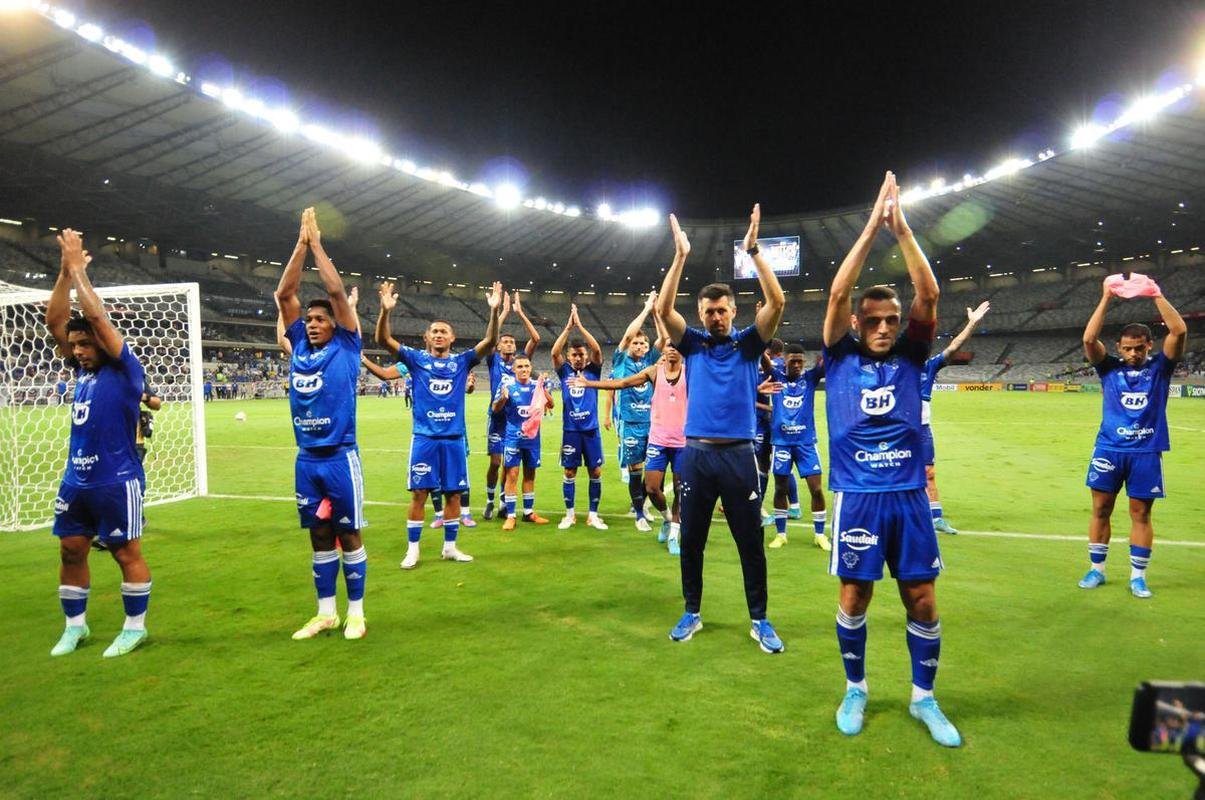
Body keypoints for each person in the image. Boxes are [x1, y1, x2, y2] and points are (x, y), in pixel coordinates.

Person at [822, 172, 959, 747]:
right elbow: (835, 293)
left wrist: (900, 229)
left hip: (907, 496)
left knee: (922, 598)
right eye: (872, 320)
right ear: (857, 323)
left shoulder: (912, 352)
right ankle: (856, 687)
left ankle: (924, 698)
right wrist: (867, 229)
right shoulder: (836, 355)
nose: (883, 327)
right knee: (855, 596)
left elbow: (928, 296)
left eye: (890, 320)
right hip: (858, 497)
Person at [654, 206, 787, 654]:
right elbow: (662, 308)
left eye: (722, 310)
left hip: (739, 456)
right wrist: (680, 256)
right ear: (701, 312)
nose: (716, 317)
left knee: (750, 541)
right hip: (696, 455)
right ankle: (692, 612)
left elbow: (779, 303)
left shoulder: (749, 344)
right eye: (709, 311)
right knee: (691, 539)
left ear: (734, 311)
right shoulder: (690, 343)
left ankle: (760, 619)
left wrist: (754, 253)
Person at [44, 227, 153, 658]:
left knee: (125, 552)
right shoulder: (82, 372)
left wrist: (79, 273)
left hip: (117, 479)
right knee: (71, 550)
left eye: (86, 345)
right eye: (75, 347)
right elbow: (56, 321)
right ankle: (75, 628)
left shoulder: (125, 370)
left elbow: (98, 321)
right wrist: (64, 273)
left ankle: (134, 628)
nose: (79, 351)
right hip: (77, 479)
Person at [277, 208, 369, 641]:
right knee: (318, 535)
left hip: (339, 457)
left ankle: (356, 613)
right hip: (306, 460)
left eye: (320, 319)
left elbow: (333, 288)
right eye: (308, 320)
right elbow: (284, 294)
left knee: (348, 533)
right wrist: (298, 245)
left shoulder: (348, 345)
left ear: (336, 322)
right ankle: (325, 613)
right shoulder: (297, 344)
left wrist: (317, 246)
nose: (312, 324)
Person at [375, 278, 503, 569]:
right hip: (424, 438)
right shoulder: (416, 359)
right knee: (419, 493)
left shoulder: (461, 362)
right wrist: (386, 311)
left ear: (452, 337)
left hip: (454, 438)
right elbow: (383, 341)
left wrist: (494, 312)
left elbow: (489, 343)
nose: (439, 335)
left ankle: (449, 548)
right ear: (427, 337)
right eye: (434, 331)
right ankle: (413, 550)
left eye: (444, 331)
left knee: (454, 493)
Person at [1078, 272, 1186, 598]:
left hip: (1146, 451)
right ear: (1119, 347)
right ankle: (1096, 570)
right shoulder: (1109, 367)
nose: (1133, 354)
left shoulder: (1160, 368)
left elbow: (1179, 331)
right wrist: (1106, 298)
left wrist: (1155, 293)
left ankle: (1138, 576)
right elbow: (1087, 340)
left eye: (1139, 348)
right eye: (1127, 348)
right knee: (1101, 509)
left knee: (1141, 513)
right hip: (1109, 449)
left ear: (1149, 345)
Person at [569, 323, 686, 554]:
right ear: (663, 350)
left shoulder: (691, 373)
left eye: (676, 346)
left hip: (682, 441)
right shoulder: (654, 372)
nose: (672, 348)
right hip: (658, 439)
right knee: (652, 488)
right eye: (669, 345)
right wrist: (589, 383)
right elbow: (621, 384)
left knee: (681, 489)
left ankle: (674, 532)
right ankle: (664, 518)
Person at [920, 301, 990, 534]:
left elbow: (954, 346)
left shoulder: (930, 366)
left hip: (922, 429)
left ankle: (936, 517)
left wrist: (971, 324)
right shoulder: (896, 366)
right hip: (898, 429)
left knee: (929, 473)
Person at [765, 344, 830, 551]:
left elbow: (826, 361)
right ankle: (781, 534)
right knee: (780, 488)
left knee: (817, 489)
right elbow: (762, 358)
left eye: (800, 361)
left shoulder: (810, 378)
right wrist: (760, 334)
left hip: (806, 443)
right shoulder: (776, 376)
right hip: (782, 443)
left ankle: (819, 535)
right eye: (792, 360)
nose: (796, 364)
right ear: (784, 360)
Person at [606, 291, 661, 530]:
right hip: (630, 423)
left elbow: (665, 338)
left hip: (653, 424)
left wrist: (658, 315)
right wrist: (647, 309)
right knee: (635, 470)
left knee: (652, 472)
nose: (639, 345)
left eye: (643, 343)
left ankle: (642, 506)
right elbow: (629, 334)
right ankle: (639, 514)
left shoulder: (651, 362)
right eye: (636, 343)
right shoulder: (621, 361)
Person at [483, 292, 540, 519]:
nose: (509, 344)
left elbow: (535, 339)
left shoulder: (520, 363)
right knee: (496, 463)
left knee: (510, 465)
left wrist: (520, 313)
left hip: (516, 421)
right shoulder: (493, 360)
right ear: (498, 346)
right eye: (505, 341)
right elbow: (489, 338)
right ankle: (489, 499)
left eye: (512, 342)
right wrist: (502, 311)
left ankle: (504, 503)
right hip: (497, 418)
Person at [551, 304, 608, 530]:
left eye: (581, 354)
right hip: (571, 431)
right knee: (569, 471)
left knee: (595, 471)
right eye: (573, 354)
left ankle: (593, 515)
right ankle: (570, 514)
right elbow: (554, 353)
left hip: (591, 430)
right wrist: (567, 328)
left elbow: (597, 350)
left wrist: (581, 327)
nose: (577, 357)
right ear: (569, 356)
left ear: (585, 357)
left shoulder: (593, 371)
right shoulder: (564, 371)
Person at [492, 354, 554, 530]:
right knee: (512, 475)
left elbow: (551, 405)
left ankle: (528, 512)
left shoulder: (537, 386)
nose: (524, 369)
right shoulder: (507, 386)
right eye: (520, 367)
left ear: (530, 367)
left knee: (530, 475)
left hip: (533, 439)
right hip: (513, 438)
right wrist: (503, 399)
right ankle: (510, 515)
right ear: (514, 369)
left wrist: (544, 389)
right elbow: (495, 409)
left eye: (527, 366)